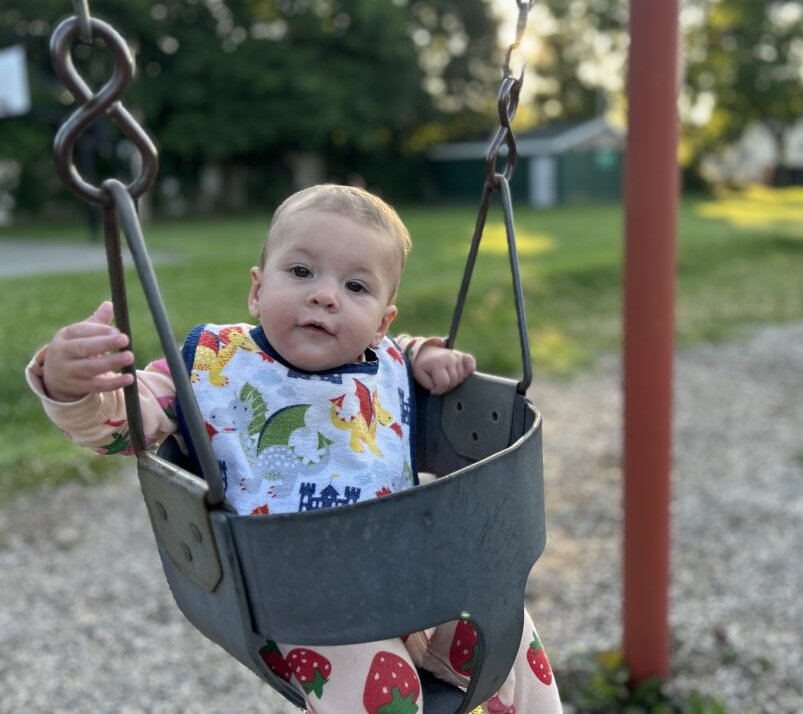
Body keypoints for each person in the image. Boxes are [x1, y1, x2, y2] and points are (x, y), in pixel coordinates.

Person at [26, 184, 562, 713]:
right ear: (257, 291)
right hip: (305, 603)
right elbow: (127, 424)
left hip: (413, 573)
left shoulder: (389, 364)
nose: (325, 295)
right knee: (387, 694)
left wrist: (425, 356)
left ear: (380, 323)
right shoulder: (212, 365)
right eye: (302, 271)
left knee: (507, 633)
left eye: (355, 286)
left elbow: (403, 350)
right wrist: (73, 388)